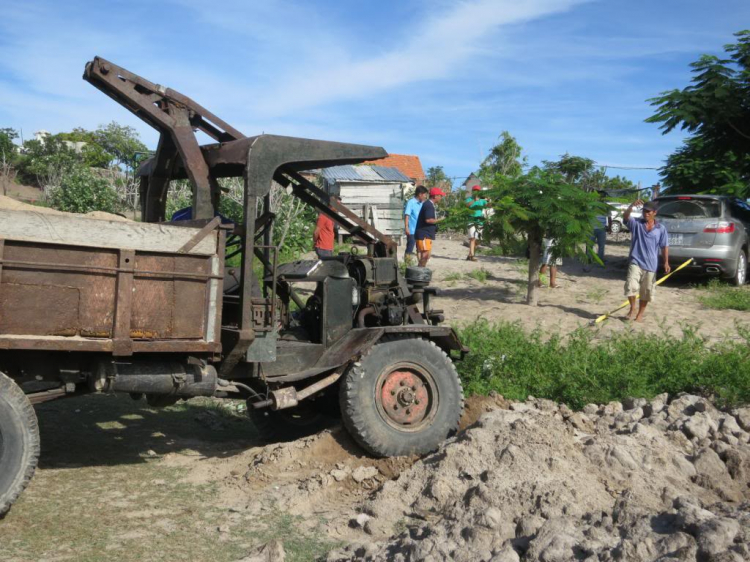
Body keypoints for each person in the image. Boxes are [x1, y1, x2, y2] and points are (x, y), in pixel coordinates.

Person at [623, 199, 670, 323]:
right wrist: (631, 205)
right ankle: (632, 308)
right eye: (644, 211)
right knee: (631, 286)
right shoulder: (636, 224)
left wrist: (666, 262)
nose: (646, 213)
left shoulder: (661, 229)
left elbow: (664, 246)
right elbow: (626, 217)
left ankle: (640, 314)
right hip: (636, 261)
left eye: (648, 211)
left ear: (655, 212)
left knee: (646, 292)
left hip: (651, 265)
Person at [414, 187, 445, 267]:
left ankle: (421, 272)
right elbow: (428, 220)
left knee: (426, 255)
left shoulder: (428, 204)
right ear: (435, 196)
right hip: (424, 234)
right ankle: (420, 272)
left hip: (425, 233)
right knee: (425, 255)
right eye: (440, 196)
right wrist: (440, 220)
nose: (441, 198)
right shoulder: (428, 205)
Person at [403, 185, 428, 264]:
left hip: (420, 230)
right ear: (420, 194)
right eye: (424, 195)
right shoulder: (411, 202)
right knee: (410, 248)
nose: (425, 196)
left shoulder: (423, 203)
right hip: (412, 230)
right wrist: (406, 227)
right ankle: (406, 264)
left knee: (420, 248)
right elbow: (407, 215)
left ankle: (420, 264)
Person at [465, 185, 488, 261]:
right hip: (471, 221)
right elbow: (467, 205)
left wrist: (489, 199)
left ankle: (469, 255)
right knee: (472, 238)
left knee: (478, 240)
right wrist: (475, 200)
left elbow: (489, 205)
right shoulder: (469, 199)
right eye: (475, 190)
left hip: (480, 221)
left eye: (478, 191)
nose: (476, 192)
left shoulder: (482, 200)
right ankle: (472, 256)